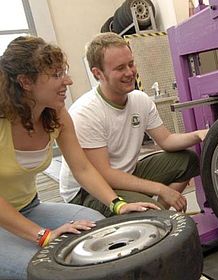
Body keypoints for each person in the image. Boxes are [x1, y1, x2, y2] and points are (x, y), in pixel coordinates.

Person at [0, 36, 159, 280]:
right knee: (38, 270)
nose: (68, 81)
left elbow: (82, 168)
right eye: (56, 76)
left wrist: (118, 204)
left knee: (97, 226)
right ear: (25, 82)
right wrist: (43, 235)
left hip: (29, 207)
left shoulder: (56, 114)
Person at [59, 32, 207, 217]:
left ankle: (159, 211)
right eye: (120, 68)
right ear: (98, 73)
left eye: (131, 64)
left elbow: (167, 140)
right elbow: (104, 173)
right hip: (89, 192)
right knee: (148, 210)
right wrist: (162, 189)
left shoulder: (140, 100)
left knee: (189, 160)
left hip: (126, 172)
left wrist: (198, 135)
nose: (130, 73)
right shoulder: (86, 112)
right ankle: (156, 213)